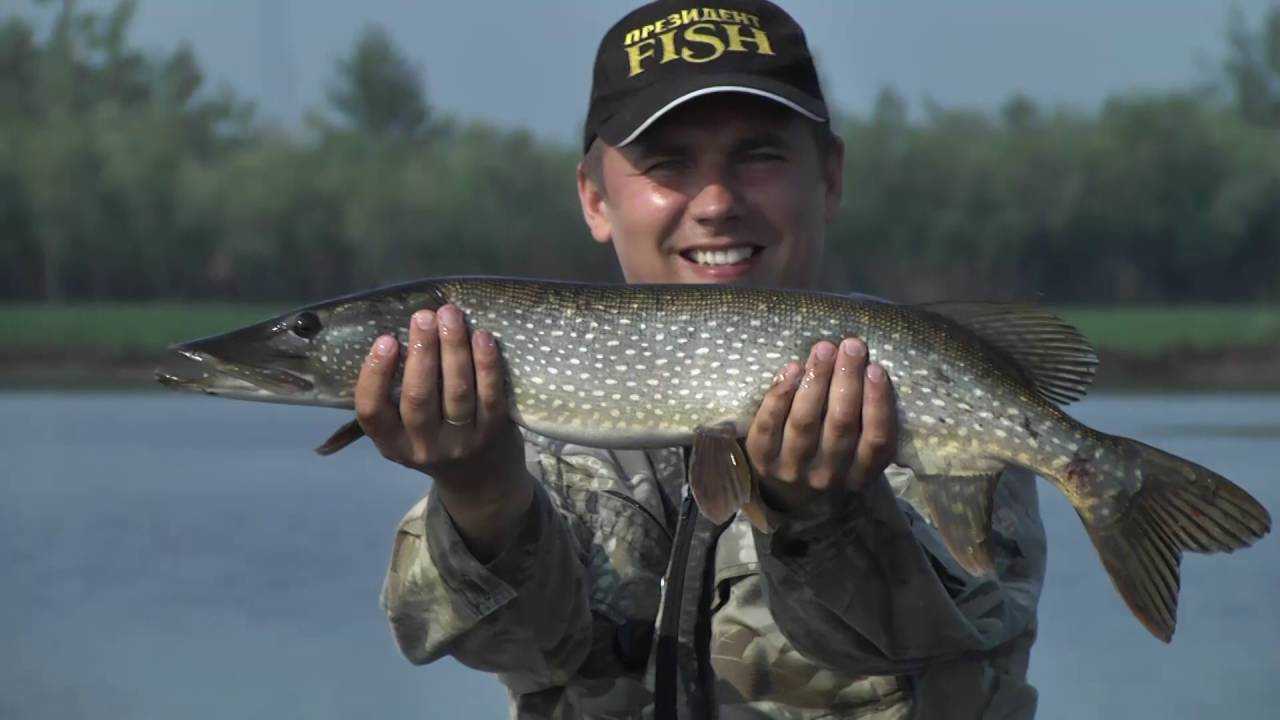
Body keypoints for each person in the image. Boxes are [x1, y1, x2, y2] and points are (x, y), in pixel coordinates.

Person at [356, 1, 1047, 717]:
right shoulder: (528, 418)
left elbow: (941, 637)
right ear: (595, 199)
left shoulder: (914, 386)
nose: (715, 202)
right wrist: (479, 493)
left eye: (759, 156)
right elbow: (515, 646)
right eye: (668, 164)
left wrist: (821, 514)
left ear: (830, 178)